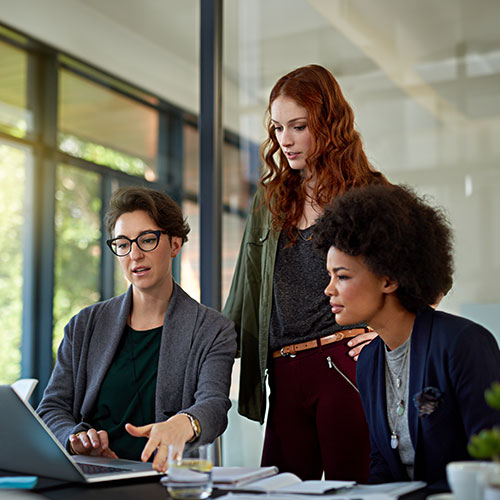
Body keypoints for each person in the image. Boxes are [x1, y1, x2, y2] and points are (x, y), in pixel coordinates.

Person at [223, 64, 389, 481]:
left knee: (350, 491)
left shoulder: (369, 194)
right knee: (275, 491)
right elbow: (243, 295)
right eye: (278, 128)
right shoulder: (270, 201)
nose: (285, 141)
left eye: (298, 126)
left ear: (329, 123)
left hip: (343, 366)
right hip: (281, 372)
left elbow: (430, 277)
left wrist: (385, 331)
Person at [37, 186, 237, 472]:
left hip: (165, 481)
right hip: (90, 479)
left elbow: (214, 405)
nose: (135, 255)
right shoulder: (84, 325)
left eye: (147, 240)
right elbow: (52, 407)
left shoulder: (212, 329)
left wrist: (185, 423)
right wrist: (75, 439)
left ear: (175, 244)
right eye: (123, 244)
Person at [313, 183, 500, 488]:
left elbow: (491, 462)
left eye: (343, 276)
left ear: (388, 279)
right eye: (330, 276)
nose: (329, 289)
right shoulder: (369, 361)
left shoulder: (463, 343)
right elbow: (382, 464)